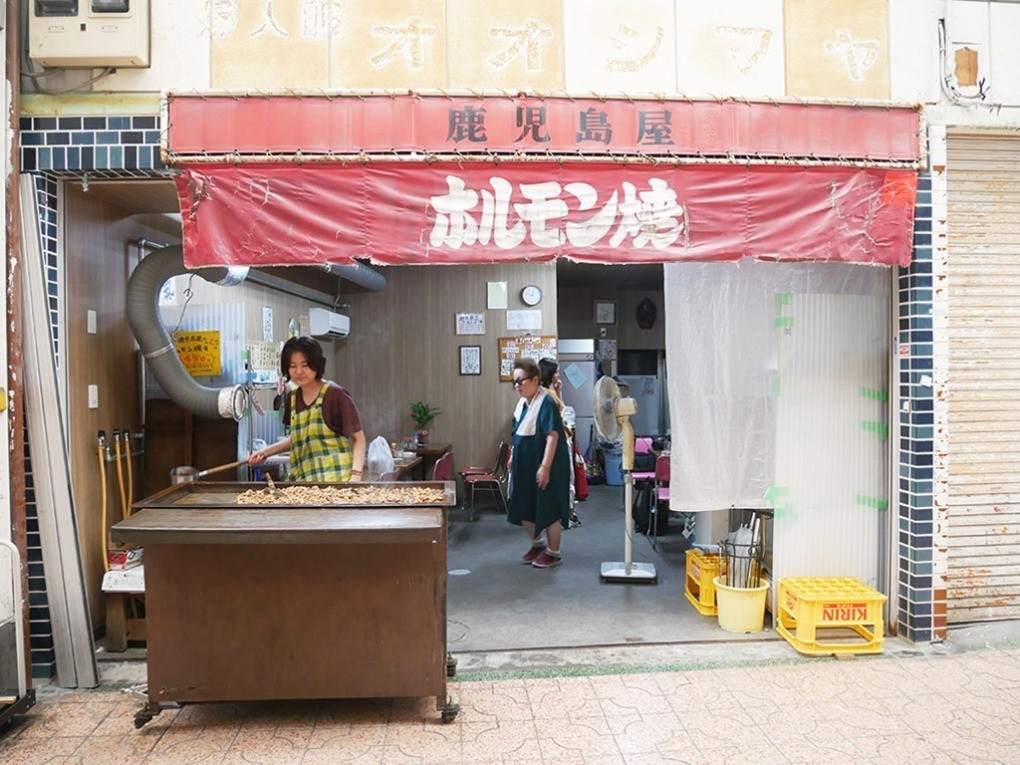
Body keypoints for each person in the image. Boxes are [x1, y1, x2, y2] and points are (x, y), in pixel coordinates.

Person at [248, 336, 366, 482]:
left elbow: (359, 440)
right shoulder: (292, 398)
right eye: (292, 366)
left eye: (305, 365)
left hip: (337, 483)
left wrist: (355, 478)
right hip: (304, 484)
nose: (298, 371)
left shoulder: (335, 395)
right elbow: (296, 438)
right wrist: (265, 452)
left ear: (317, 364)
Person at [507, 358, 570, 568]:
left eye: (521, 381)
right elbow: (517, 433)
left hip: (548, 462)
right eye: (514, 382)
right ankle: (538, 544)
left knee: (548, 505)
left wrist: (545, 467)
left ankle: (554, 553)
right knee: (522, 502)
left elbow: (552, 436)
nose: (517, 386)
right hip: (526, 463)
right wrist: (512, 455)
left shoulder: (546, 402)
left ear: (535, 379)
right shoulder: (522, 404)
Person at [538, 357, 581, 527]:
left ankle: (567, 513)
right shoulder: (545, 394)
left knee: (564, 479)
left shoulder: (548, 392)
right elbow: (556, 417)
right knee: (565, 478)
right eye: (555, 371)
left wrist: (559, 391)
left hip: (560, 439)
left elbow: (560, 409)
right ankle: (565, 515)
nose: (557, 375)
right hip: (557, 442)